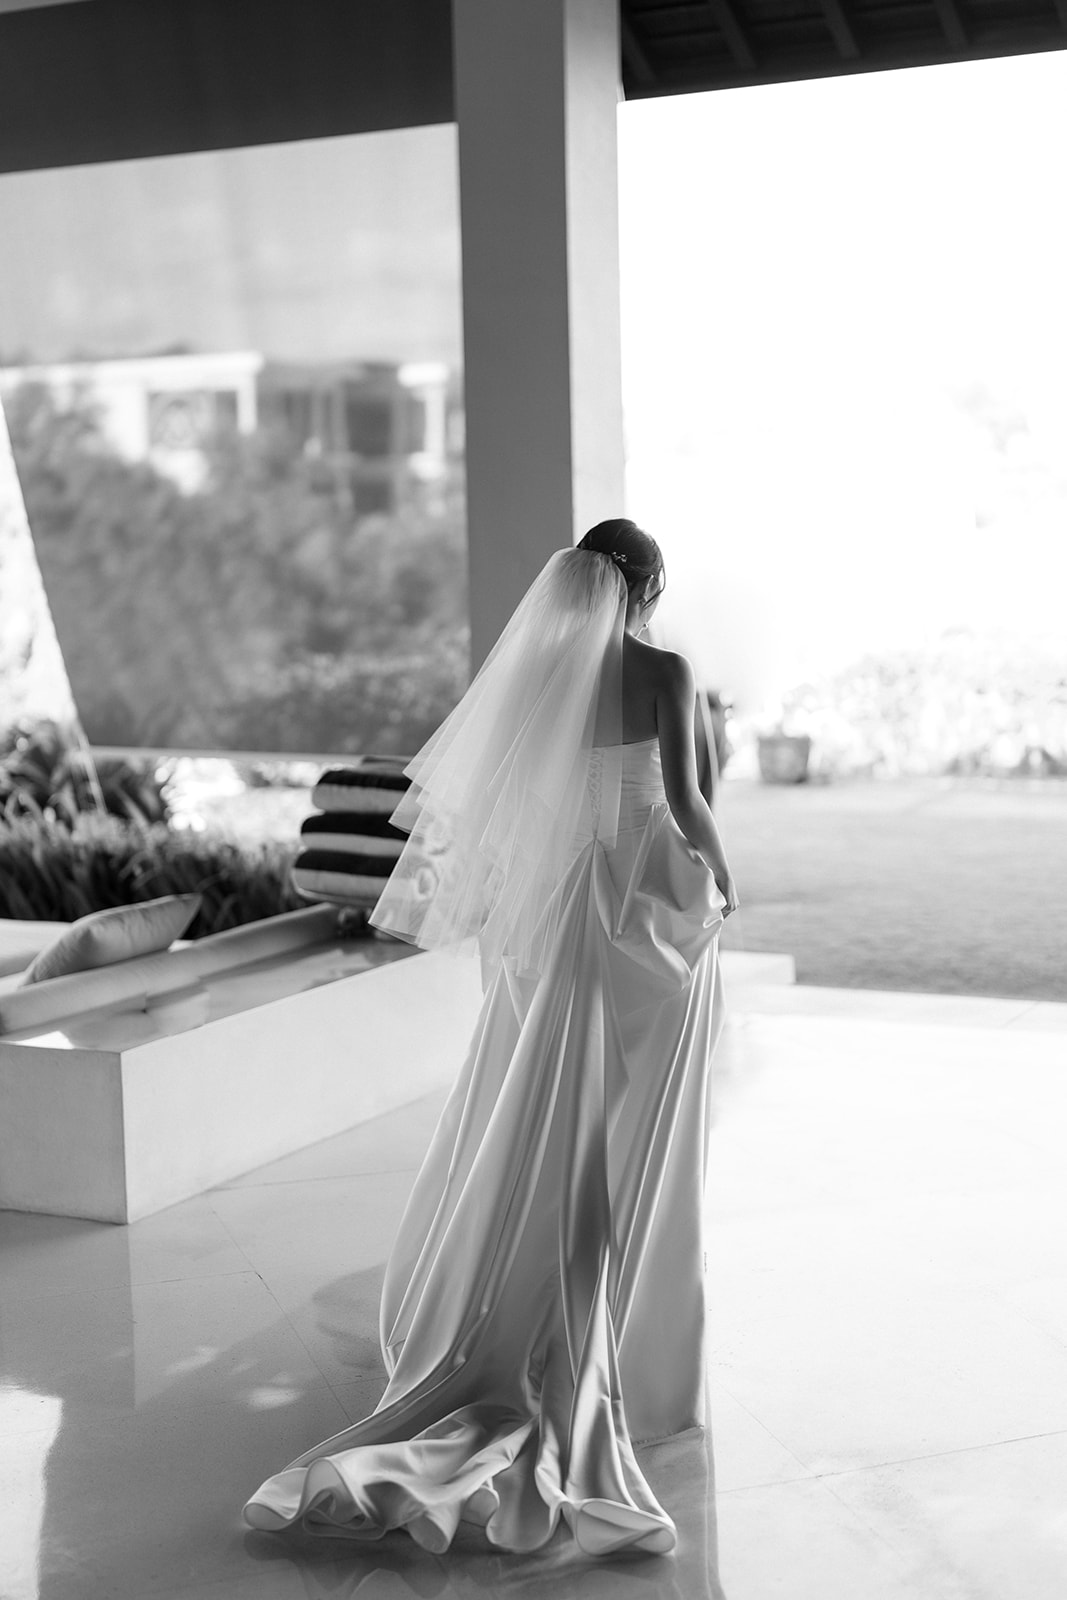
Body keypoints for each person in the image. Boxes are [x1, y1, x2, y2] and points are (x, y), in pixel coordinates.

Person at [243, 518, 738, 1557]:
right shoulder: (665, 671)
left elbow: (513, 806)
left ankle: (507, 1309)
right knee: (631, 1120)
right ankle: (624, 1340)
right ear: (645, 588)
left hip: (560, 916)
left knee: (541, 1110)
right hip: (640, 905)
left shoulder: (545, 677)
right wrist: (724, 882)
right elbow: (688, 801)